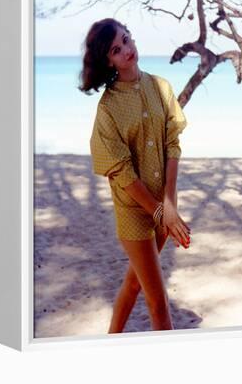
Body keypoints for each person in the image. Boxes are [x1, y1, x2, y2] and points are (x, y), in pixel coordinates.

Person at [79, 18, 191, 333]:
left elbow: (172, 144)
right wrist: (157, 211)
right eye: (116, 49)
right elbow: (120, 170)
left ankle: (111, 340)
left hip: (163, 205)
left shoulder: (162, 87)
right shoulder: (108, 109)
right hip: (133, 210)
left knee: (133, 285)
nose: (127, 50)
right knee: (158, 303)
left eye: (127, 40)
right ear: (107, 60)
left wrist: (168, 204)